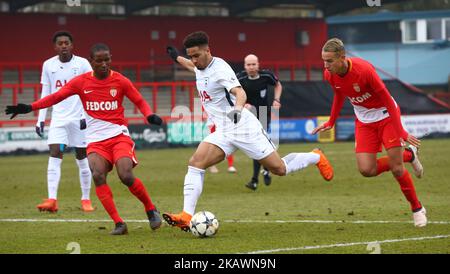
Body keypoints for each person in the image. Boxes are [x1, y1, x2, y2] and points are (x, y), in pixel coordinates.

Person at [163, 31, 334, 232]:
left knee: (279, 169)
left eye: (196, 55)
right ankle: (186, 215)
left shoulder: (220, 70)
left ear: (208, 51)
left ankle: (315, 157)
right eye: (190, 55)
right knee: (195, 163)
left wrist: (236, 110)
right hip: (224, 131)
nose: (193, 60)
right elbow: (192, 67)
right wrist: (176, 57)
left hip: (243, 127)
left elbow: (240, 93)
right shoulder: (199, 65)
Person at [6, 43, 163, 235]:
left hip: (118, 136)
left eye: (107, 59)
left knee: (126, 175)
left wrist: (149, 115)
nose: (104, 64)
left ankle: (150, 208)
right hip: (95, 140)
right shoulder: (81, 82)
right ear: (92, 62)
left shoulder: (120, 81)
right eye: (99, 61)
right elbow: (56, 97)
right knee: (97, 175)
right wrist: (30, 107)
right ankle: (119, 223)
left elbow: (138, 100)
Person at [312, 38, 426, 227]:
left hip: (386, 116)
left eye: (330, 61)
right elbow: (339, 94)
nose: (326, 65)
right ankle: (409, 154)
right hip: (364, 121)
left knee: (397, 169)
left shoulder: (364, 70)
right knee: (366, 170)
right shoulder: (329, 75)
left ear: (342, 57)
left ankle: (417, 208)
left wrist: (401, 131)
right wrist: (331, 121)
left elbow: (388, 100)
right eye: (324, 60)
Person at [34, 31, 94, 213]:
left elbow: (90, 90)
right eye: (60, 43)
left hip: (78, 119)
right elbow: (46, 93)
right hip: (59, 119)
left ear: (72, 45)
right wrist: (40, 119)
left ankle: (86, 199)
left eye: (66, 42)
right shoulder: (48, 65)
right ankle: (52, 199)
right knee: (54, 154)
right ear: (55, 47)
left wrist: (86, 116)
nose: (64, 46)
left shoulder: (83, 63)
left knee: (82, 157)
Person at [237, 54, 282, 190]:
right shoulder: (240, 78)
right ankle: (264, 172)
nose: (251, 67)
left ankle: (256, 179)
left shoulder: (266, 76)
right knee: (257, 145)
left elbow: (278, 85)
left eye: (253, 64)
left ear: (258, 64)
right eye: (248, 65)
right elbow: (233, 93)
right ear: (245, 66)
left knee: (257, 145)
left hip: (262, 114)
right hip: (247, 116)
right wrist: (243, 104)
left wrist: (277, 99)